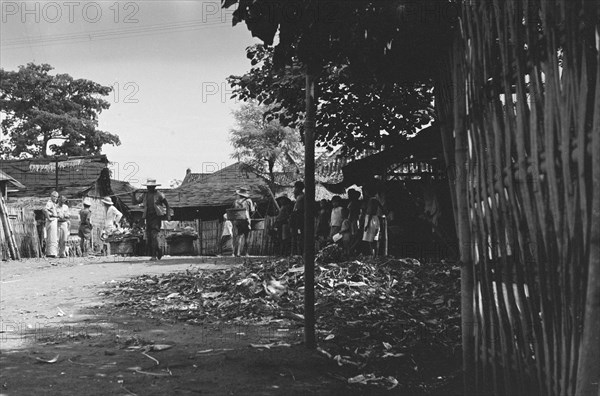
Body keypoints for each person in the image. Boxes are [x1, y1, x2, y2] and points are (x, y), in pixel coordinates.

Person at [132, 178, 170, 261]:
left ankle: (154, 255)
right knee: (149, 237)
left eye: (151, 187)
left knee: (153, 235)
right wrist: (133, 194)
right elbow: (135, 202)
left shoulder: (159, 194)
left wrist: (168, 215)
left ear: (154, 187)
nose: (149, 188)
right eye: (148, 187)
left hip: (156, 217)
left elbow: (167, 205)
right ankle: (158, 251)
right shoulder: (144, 195)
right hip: (148, 217)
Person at [362, 184, 384, 258]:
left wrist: (367, 225)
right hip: (376, 219)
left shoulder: (371, 201)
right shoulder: (376, 200)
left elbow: (370, 212)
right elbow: (383, 209)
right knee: (375, 238)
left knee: (370, 239)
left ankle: (372, 255)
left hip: (370, 219)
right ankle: (375, 255)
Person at [232, 187, 254, 257]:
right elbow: (252, 211)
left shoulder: (236, 201)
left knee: (239, 235)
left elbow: (233, 210)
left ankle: (237, 253)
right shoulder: (249, 201)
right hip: (246, 219)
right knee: (247, 236)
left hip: (238, 220)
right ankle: (246, 253)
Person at [43, 191, 59, 258]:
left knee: (54, 237)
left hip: (54, 220)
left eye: (56, 197)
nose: (55, 198)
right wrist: (49, 218)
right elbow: (44, 210)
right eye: (54, 196)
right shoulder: (49, 203)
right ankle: (51, 253)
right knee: (51, 236)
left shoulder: (53, 204)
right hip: (51, 220)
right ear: (51, 196)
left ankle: (53, 252)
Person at [290, 181, 305, 255]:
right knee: (294, 235)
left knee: (300, 235)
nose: (294, 189)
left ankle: (300, 253)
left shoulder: (302, 196)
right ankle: (294, 252)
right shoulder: (298, 197)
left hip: (299, 216)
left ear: (299, 188)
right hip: (295, 216)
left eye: (295, 188)